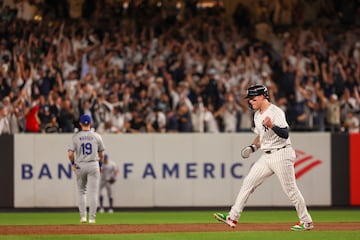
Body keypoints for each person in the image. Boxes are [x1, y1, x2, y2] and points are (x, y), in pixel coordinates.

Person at [214, 84, 314, 231]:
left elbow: (285, 133)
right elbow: (261, 137)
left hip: (282, 153)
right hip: (267, 156)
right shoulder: (257, 115)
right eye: (249, 99)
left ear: (262, 97)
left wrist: (272, 125)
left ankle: (306, 221)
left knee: (291, 190)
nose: (250, 101)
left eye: (252, 98)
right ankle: (232, 217)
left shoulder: (275, 112)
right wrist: (252, 147)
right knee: (248, 183)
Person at [68, 114, 105, 224]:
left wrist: (73, 163)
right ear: (91, 123)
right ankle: (92, 218)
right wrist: (101, 165)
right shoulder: (97, 136)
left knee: (81, 191)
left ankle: (83, 217)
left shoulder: (75, 137)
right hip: (93, 164)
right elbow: (102, 154)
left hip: (80, 164)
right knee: (93, 192)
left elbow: (70, 154)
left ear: (80, 124)